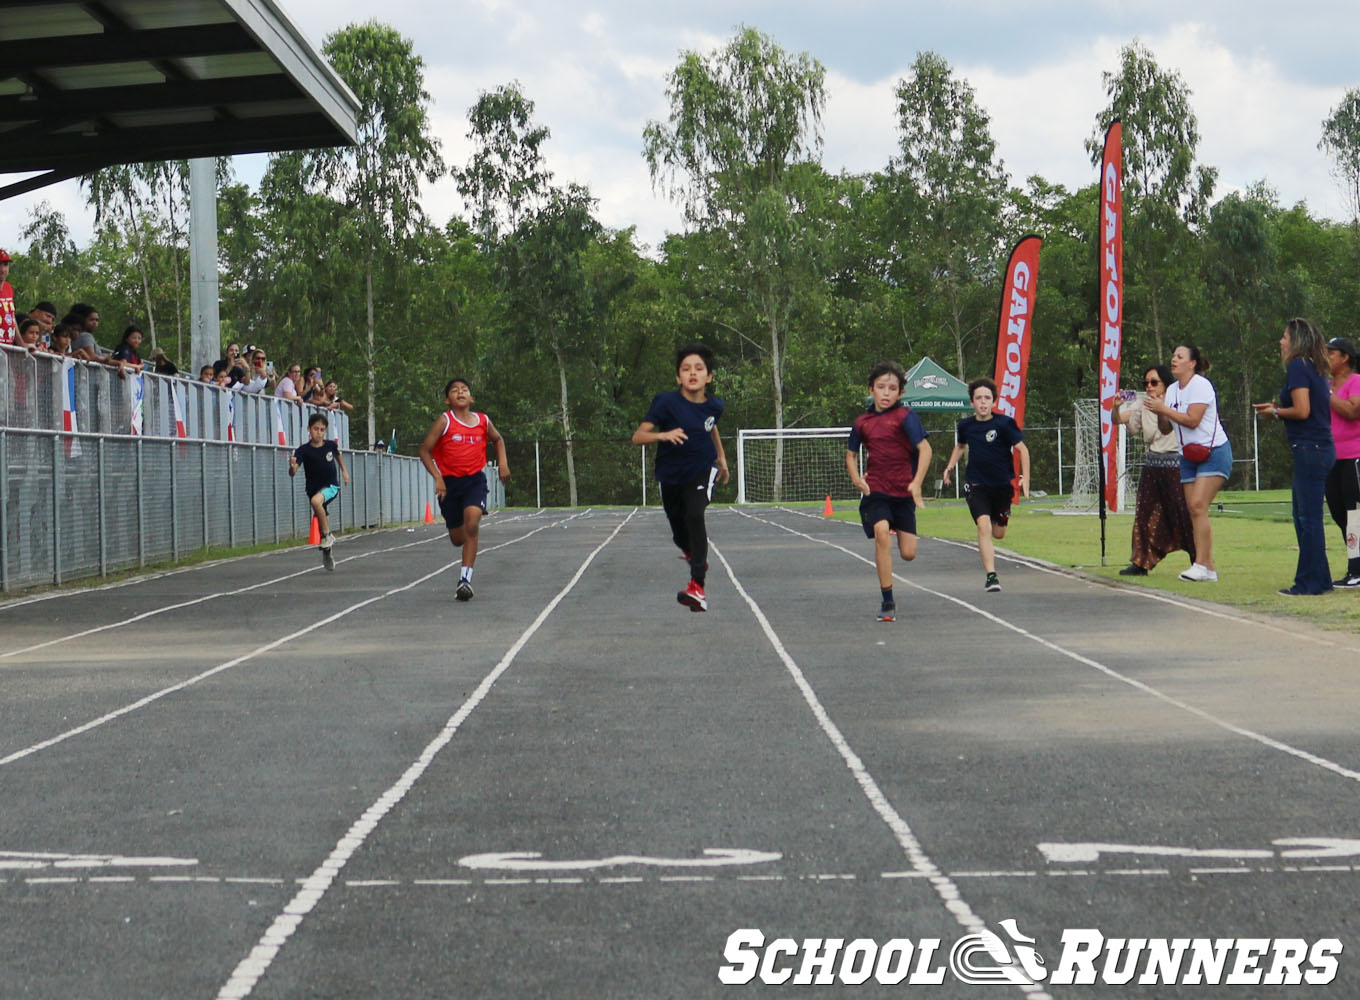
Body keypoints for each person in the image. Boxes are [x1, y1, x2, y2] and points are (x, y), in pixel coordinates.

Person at [632, 342, 729, 612]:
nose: (693, 373)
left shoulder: (715, 406)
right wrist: (663, 435)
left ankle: (697, 585)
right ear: (678, 377)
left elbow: (711, 427)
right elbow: (638, 436)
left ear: (709, 376)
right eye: (686, 369)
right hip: (670, 475)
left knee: (695, 515)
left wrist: (721, 458)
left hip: (701, 470)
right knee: (678, 533)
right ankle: (697, 556)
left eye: (699, 369)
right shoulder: (666, 403)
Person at [1253, 318, 1335, 595]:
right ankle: (1320, 578)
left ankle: (1309, 582)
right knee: (1304, 517)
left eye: (1285, 337)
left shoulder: (1298, 366)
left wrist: (1274, 413)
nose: (1281, 342)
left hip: (1310, 448)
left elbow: (1302, 410)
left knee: (1308, 518)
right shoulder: (1313, 367)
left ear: (1296, 340)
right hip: (1318, 448)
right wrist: (1277, 407)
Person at [845, 360, 932, 621]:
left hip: (903, 491)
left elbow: (925, 449)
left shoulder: (906, 417)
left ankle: (893, 523)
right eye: (881, 387)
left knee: (908, 553)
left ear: (900, 393)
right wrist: (856, 479)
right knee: (882, 533)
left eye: (892, 388)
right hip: (877, 490)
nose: (886, 393)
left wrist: (916, 483)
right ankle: (887, 601)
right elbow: (850, 455)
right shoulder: (863, 422)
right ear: (871, 389)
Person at [1144, 344, 1231, 583]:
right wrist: (1159, 408)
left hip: (1213, 452)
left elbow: (1192, 420)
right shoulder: (1172, 390)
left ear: (1192, 363)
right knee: (1193, 510)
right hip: (1189, 457)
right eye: (1173, 356)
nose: (1174, 360)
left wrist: (1165, 409)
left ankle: (1201, 564)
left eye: (1180, 357)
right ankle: (1207, 567)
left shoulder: (1201, 385)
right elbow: (1166, 428)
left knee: (1197, 505)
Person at [419, 378, 511, 601]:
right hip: (450, 485)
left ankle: (465, 579)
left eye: (464, 390)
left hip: (474, 481)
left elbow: (498, 439)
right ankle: (462, 535)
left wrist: (503, 463)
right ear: (447, 399)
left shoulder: (482, 420)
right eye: (454, 390)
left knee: (472, 522)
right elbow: (424, 450)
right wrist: (438, 478)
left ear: (471, 398)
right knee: (458, 538)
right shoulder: (445, 421)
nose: (460, 392)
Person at [942, 378, 1029, 592]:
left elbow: (1023, 450)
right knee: (984, 527)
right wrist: (949, 467)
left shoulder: (1004, 424)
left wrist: (1025, 477)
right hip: (976, 484)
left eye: (987, 398)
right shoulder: (966, 426)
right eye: (978, 398)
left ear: (993, 402)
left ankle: (999, 516)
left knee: (998, 533)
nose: (983, 402)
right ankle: (991, 576)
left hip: (1001, 486)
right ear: (972, 402)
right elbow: (961, 446)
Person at [1111, 364, 1196, 576]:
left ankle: (1199, 560)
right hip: (1152, 465)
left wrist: (1162, 408)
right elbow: (1118, 420)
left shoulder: (1177, 401)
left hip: (1175, 464)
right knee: (1144, 513)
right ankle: (1141, 562)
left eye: (1154, 382)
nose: (1149, 387)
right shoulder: (1142, 404)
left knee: (1184, 513)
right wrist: (1116, 407)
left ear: (1165, 385)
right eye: (1146, 383)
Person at [289, 412, 350, 570]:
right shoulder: (303, 450)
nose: (319, 432)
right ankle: (327, 551)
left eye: (322, 429)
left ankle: (327, 535)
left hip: (331, 486)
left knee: (316, 502)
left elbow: (338, 457)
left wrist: (344, 471)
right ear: (309, 429)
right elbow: (293, 472)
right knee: (320, 511)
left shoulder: (330, 445)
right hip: (313, 489)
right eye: (316, 429)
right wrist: (292, 466)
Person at [1322, 336, 1360, 587]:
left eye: (1331, 354)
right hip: (1331, 458)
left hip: (1353, 457)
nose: (1327, 358)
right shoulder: (1327, 384)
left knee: (1354, 513)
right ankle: (1355, 564)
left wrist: (1328, 394)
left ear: (1345, 358)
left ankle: (1356, 570)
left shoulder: (1356, 382)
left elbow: (1352, 411)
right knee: (1338, 511)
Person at [0, 249, 16, 346]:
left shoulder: (8, 288)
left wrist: (22, 344)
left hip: (8, 348)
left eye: (5, 265)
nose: (2, 270)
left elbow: (12, 318)